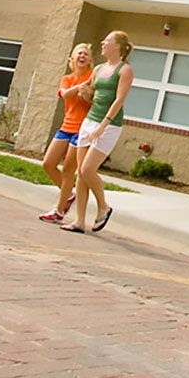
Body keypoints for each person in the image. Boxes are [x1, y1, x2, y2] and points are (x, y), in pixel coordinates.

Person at [61, 30, 132, 235]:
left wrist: (103, 125)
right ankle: (79, 221)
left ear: (117, 46)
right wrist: (81, 93)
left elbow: (119, 100)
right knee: (80, 174)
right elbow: (90, 92)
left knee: (87, 170)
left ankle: (104, 206)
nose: (102, 43)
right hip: (89, 121)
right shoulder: (99, 68)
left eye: (107, 41)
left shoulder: (124, 70)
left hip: (108, 125)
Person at [39, 42, 95, 223]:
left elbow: (93, 101)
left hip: (81, 130)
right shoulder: (68, 78)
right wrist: (79, 89)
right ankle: (69, 195)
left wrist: (87, 95)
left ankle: (59, 211)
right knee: (48, 163)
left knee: (68, 170)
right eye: (79, 53)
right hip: (66, 127)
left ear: (90, 61)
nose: (82, 56)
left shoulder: (92, 78)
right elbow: (64, 94)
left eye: (86, 54)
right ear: (72, 59)